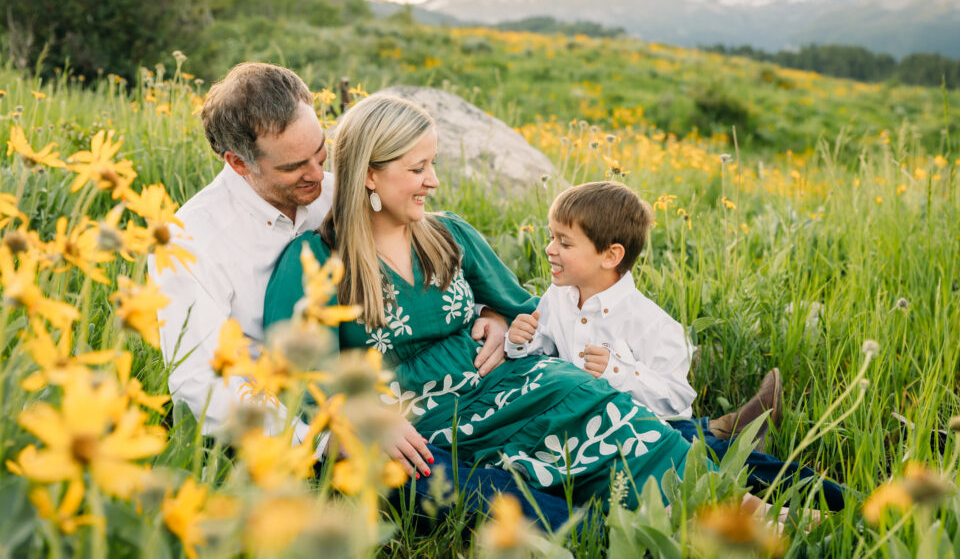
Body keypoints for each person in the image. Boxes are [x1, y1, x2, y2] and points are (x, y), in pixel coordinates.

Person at [264, 92, 751, 510]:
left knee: (588, 396)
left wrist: (496, 317)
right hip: (424, 417)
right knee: (590, 418)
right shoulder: (316, 260)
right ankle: (723, 491)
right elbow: (295, 374)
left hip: (503, 380)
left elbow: (527, 308)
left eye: (432, 164)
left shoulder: (447, 234)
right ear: (370, 174)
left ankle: (756, 505)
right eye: (418, 168)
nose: (432, 180)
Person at [151, 63, 569, 524]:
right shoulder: (192, 243)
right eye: (293, 167)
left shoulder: (335, 194)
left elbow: (430, 250)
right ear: (237, 163)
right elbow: (198, 382)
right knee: (440, 480)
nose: (316, 174)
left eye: (320, 153)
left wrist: (490, 311)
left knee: (508, 420)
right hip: (287, 417)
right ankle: (584, 529)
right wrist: (325, 437)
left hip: (398, 390)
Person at [505, 181, 848, 510]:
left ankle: (847, 503)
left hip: (655, 432)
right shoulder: (558, 298)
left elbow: (678, 400)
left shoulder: (652, 324)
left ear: (610, 256)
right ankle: (734, 427)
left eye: (564, 243)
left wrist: (618, 372)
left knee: (727, 461)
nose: (549, 248)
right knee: (712, 452)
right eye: (551, 237)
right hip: (591, 435)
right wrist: (521, 341)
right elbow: (543, 354)